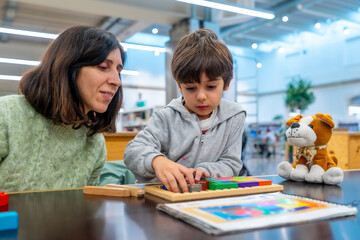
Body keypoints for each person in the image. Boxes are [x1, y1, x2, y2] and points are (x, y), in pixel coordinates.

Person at [0, 26, 125, 192]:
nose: (117, 81)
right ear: (68, 67)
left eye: (118, 70)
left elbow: (85, 210)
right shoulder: (7, 115)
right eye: (103, 67)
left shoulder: (94, 143)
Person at [124, 28, 246, 193]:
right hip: (163, 196)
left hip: (205, 198)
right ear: (179, 86)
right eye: (190, 88)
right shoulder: (166, 116)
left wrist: (206, 170)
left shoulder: (234, 116)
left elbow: (231, 164)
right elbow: (133, 150)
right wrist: (157, 161)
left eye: (210, 87)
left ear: (226, 83)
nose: (201, 96)